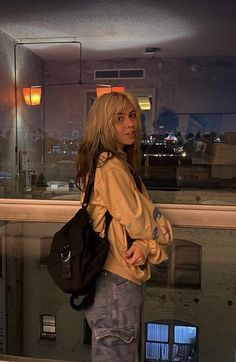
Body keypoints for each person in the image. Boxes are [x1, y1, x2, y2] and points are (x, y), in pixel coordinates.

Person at [76, 92, 173, 362]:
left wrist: (144, 244)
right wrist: (162, 233)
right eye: (119, 119)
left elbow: (126, 222)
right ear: (103, 124)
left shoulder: (104, 163)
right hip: (115, 284)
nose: (130, 124)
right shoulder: (111, 167)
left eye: (132, 116)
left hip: (110, 280)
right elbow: (140, 220)